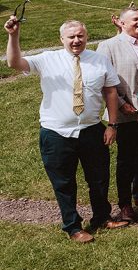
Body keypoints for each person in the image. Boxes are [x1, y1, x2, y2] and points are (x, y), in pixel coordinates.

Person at [6, 18, 129, 242]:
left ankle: (102, 217)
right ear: (61, 39)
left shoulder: (99, 60)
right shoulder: (47, 59)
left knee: (99, 178)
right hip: (56, 133)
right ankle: (72, 226)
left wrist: (112, 125)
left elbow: (110, 92)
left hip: (91, 130)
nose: (76, 40)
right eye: (71, 37)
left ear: (87, 37)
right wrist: (14, 35)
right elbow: (14, 63)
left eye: (80, 36)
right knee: (64, 182)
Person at [95, 7, 138, 221]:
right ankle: (124, 203)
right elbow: (104, 80)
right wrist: (122, 103)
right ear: (122, 23)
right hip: (127, 110)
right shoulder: (108, 46)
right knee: (126, 158)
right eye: (135, 20)